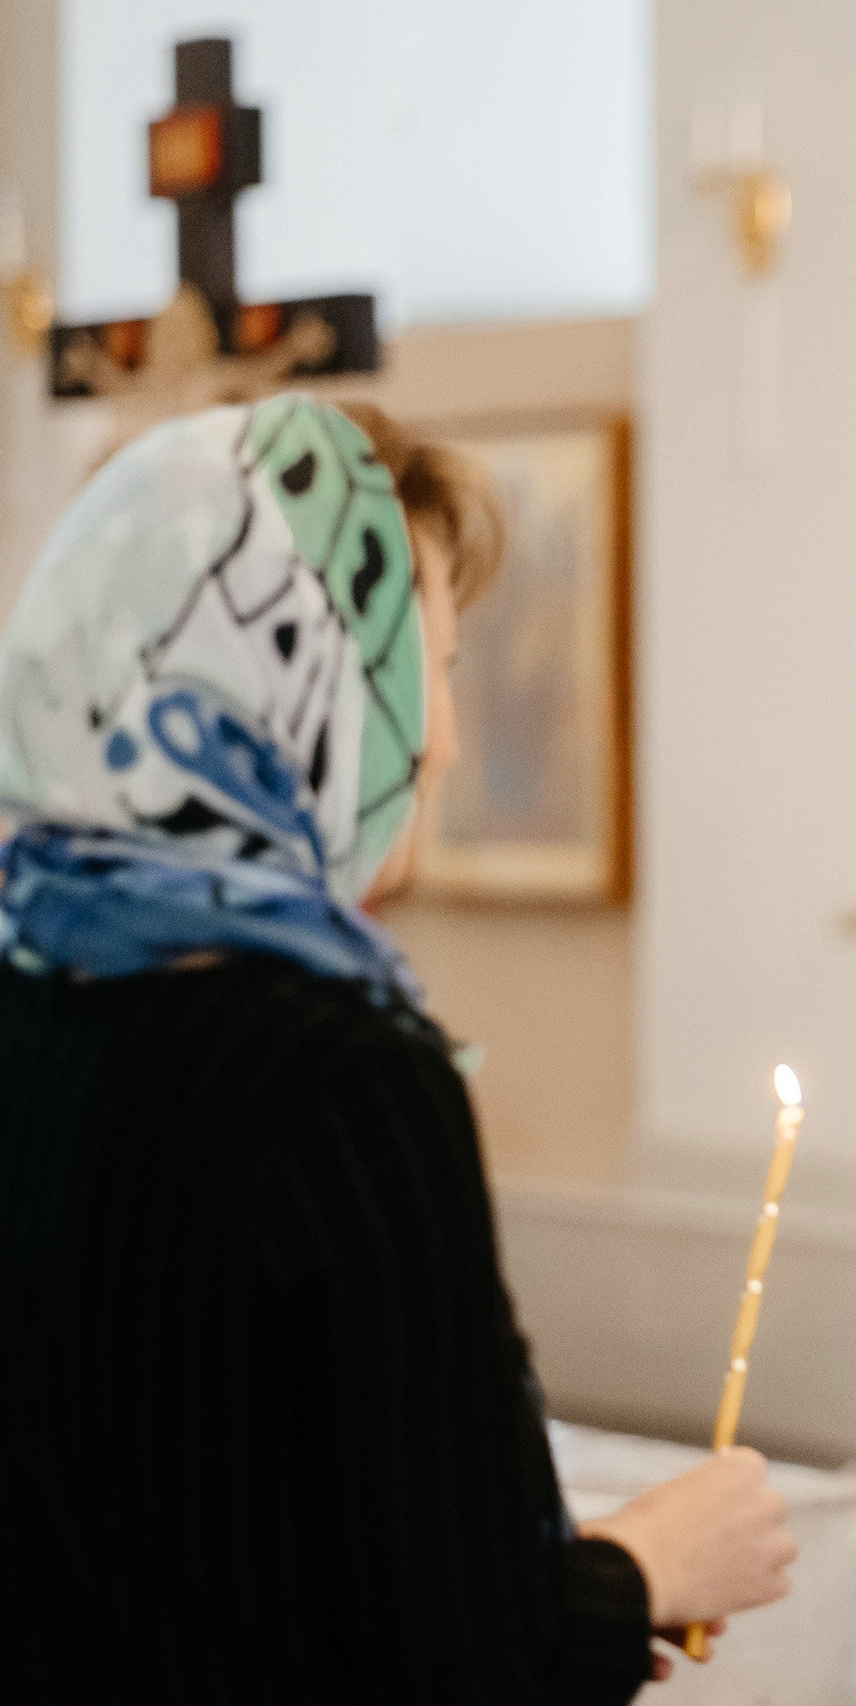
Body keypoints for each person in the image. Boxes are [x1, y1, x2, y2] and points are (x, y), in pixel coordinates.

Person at [0, 396, 796, 1702]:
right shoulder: (339, 1073)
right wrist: (649, 1566)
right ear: (292, 681)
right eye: (427, 658)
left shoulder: (29, 987)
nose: (445, 743)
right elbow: (468, 1663)